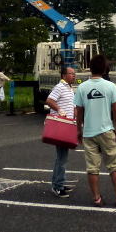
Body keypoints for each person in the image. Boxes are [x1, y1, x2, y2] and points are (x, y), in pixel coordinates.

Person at [75, 54, 116, 207]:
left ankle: (97, 198)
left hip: (89, 132)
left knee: (92, 168)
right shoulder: (110, 86)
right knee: (114, 165)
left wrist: (79, 130)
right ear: (104, 69)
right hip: (107, 130)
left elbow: (79, 112)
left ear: (90, 68)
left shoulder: (82, 87)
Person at [46, 66, 76, 198]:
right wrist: (59, 110)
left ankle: (59, 183)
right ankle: (57, 186)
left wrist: (76, 119)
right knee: (62, 158)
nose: (74, 76)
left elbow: (72, 106)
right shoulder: (59, 87)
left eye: (74, 74)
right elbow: (49, 100)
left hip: (68, 125)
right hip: (61, 126)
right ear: (64, 75)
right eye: (71, 73)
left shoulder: (69, 88)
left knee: (62, 157)